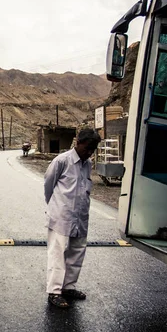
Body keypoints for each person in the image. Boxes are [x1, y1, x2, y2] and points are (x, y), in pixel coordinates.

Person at [44, 128, 101, 308]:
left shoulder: (88, 164)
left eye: (93, 149)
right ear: (78, 143)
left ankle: (68, 287)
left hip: (81, 216)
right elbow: (48, 185)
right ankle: (54, 292)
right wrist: (56, 206)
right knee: (58, 253)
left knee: (77, 252)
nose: (89, 152)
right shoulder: (62, 161)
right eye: (87, 148)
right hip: (62, 215)